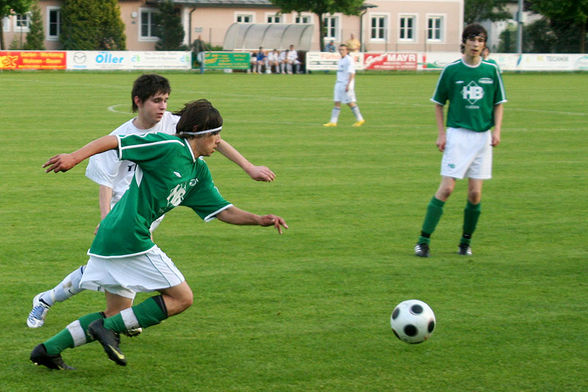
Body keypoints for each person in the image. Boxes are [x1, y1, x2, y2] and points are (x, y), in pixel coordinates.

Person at [30, 99, 288, 370]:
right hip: (129, 235)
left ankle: (47, 350)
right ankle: (106, 329)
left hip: (114, 236)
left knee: (116, 312)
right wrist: (73, 157)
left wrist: (259, 220)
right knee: (181, 298)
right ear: (198, 131)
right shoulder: (169, 147)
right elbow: (116, 141)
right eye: (215, 134)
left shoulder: (197, 171)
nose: (219, 141)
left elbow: (223, 211)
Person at [413, 24, 506, 257]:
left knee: (475, 194)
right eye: (472, 40)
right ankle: (423, 241)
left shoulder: (492, 70)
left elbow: (498, 102)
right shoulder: (452, 71)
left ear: (484, 44)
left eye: (481, 40)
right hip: (458, 135)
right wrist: (442, 133)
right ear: (464, 42)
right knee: (447, 189)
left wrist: (497, 131)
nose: (476, 44)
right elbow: (438, 103)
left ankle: (465, 243)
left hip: (482, 137)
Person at [323, 44, 365, 127]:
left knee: (350, 102)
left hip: (346, 84)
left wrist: (348, 85)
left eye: (343, 50)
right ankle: (333, 122)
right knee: (336, 102)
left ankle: (360, 119)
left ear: (347, 51)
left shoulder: (349, 60)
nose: (341, 51)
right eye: (340, 50)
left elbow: (352, 73)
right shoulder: (341, 60)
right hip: (339, 83)